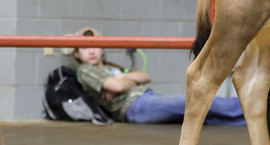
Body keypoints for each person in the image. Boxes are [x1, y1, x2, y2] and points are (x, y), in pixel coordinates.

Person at [71, 27, 245, 125]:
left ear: (102, 48)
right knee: (196, 101)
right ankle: (254, 110)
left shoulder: (111, 68)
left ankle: (251, 119)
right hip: (135, 107)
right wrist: (121, 81)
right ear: (77, 54)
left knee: (204, 114)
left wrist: (119, 80)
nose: (91, 51)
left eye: (94, 45)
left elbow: (144, 76)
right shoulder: (85, 70)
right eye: (84, 47)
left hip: (147, 98)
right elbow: (119, 87)